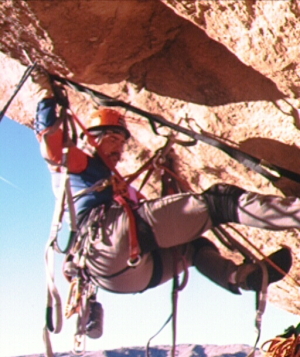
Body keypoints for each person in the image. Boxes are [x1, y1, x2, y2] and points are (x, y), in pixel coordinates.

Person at [33, 72, 296, 335]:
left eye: (122, 142)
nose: (119, 149)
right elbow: (53, 149)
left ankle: (242, 277)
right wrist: (45, 97)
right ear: (93, 139)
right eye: (113, 138)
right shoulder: (81, 166)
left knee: (194, 247)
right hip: (109, 242)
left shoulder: (117, 187)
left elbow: (165, 219)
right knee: (221, 201)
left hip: (122, 278)